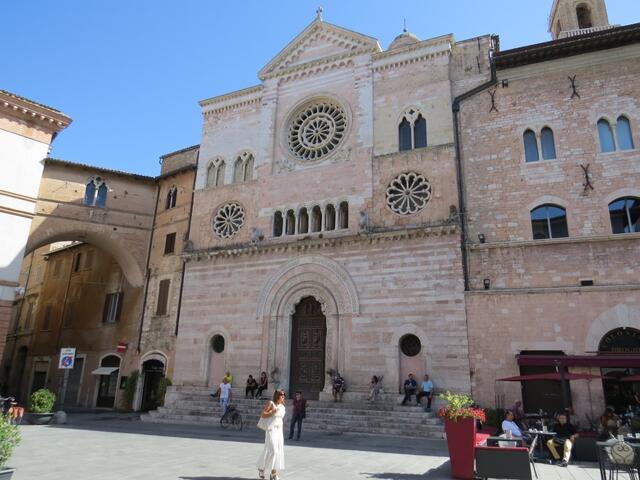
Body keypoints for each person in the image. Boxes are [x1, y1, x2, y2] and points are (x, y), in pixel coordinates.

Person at [257, 389, 286, 480]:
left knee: (278, 451)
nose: (283, 397)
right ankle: (261, 468)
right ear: (277, 396)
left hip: (279, 430)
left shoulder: (282, 406)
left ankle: (273, 473)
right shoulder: (271, 403)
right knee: (272, 450)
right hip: (271, 429)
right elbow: (263, 414)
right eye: (281, 395)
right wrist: (272, 412)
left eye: (283, 395)